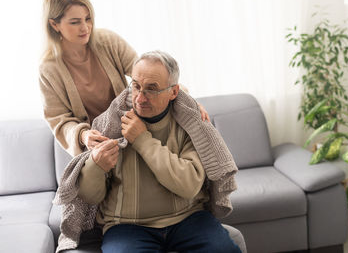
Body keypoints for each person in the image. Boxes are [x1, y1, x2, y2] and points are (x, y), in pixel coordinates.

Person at [60, 50, 240, 252]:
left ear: (173, 92)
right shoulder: (109, 124)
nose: (140, 98)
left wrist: (142, 140)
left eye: (151, 89)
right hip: (126, 226)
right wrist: (95, 166)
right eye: (136, 86)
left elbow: (188, 186)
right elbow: (91, 198)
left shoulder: (191, 124)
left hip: (189, 219)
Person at [39, 0, 209, 157]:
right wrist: (84, 135)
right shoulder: (48, 69)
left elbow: (146, 74)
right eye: (75, 22)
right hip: (96, 147)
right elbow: (59, 120)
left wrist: (188, 101)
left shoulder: (108, 41)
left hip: (129, 128)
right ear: (54, 24)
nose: (85, 28)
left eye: (88, 19)